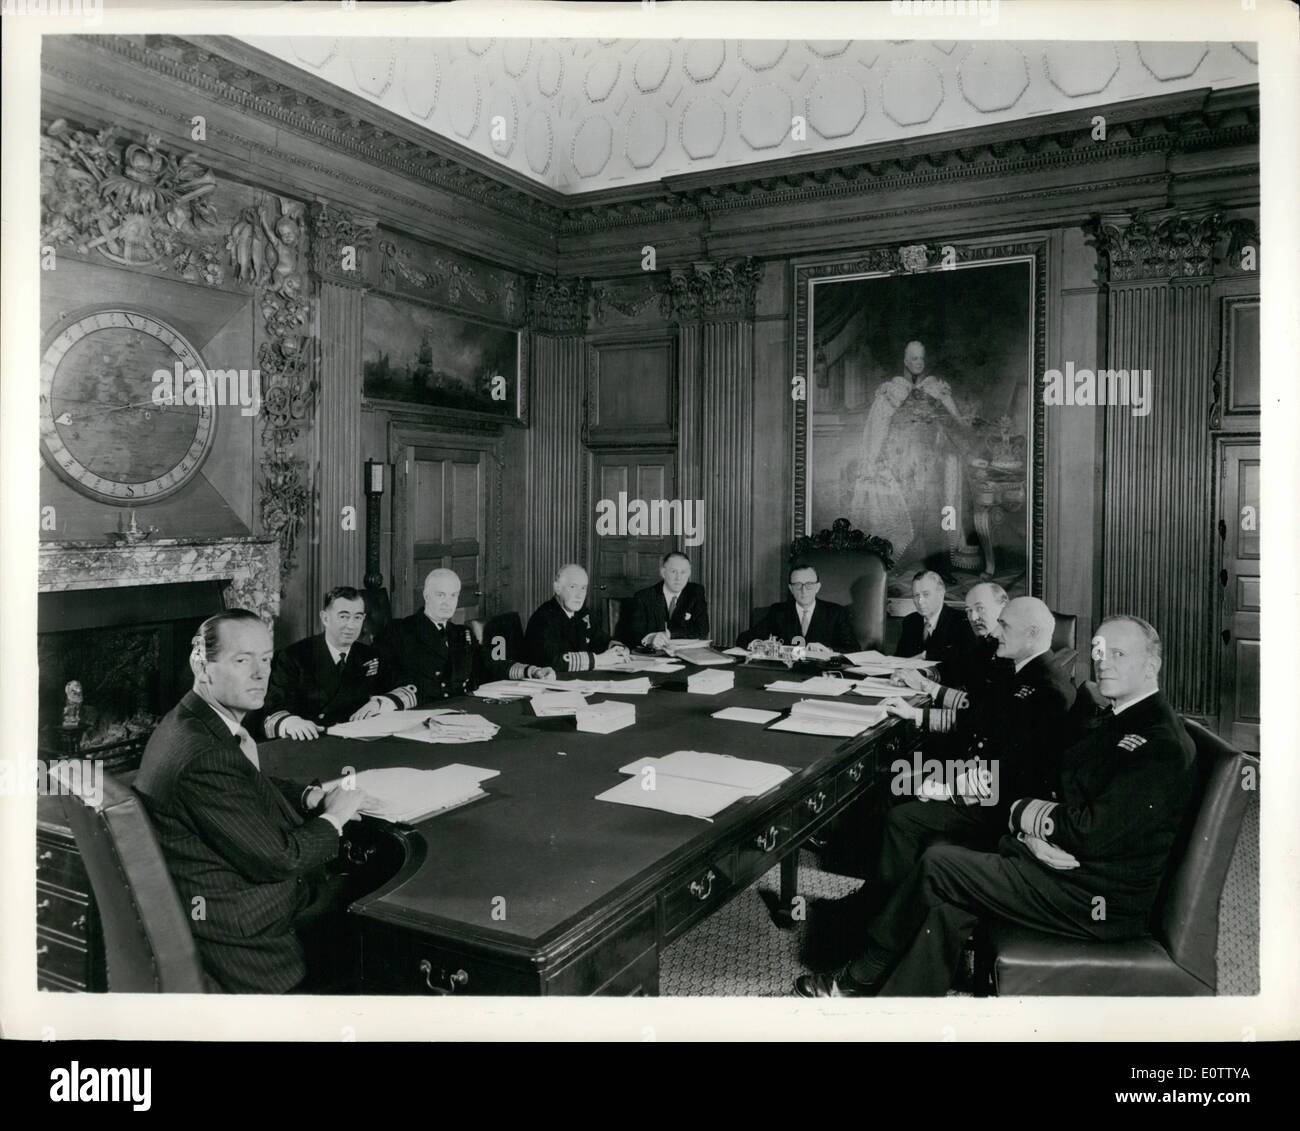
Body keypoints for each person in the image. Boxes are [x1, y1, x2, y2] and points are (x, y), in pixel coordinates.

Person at [795, 615, 1196, 997]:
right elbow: (1066, 793)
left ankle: (861, 974)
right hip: (1069, 864)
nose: (1103, 662)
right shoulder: (1122, 716)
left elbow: (1093, 831)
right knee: (947, 905)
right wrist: (1031, 831)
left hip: (1096, 897)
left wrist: (1024, 818)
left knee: (940, 865)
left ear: (1152, 665)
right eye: (1100, 650)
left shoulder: (1157, 742)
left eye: (1119, 654)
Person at [134, 610, 370, 994]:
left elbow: (245, 781)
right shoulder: (203, 756)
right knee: (378, 896)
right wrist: (336, 816)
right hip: (245, 935)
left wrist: (310, 796)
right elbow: (283, 858)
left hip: (223, 899)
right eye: (242, 660)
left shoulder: (192, 722)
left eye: (266, 659)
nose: (261, 673)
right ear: (202, 665)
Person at [874, 597, 1076, 890]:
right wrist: (917, 714)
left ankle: (888, 907)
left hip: (997, 802)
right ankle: (889, 893)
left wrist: (947, 789)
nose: (995, 633)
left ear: (1031, 634)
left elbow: (1016, 773)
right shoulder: (1020, 672)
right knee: (895, 781)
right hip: (981, 778)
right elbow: (979, 721)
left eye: (1004, 625)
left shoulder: (1047, 691)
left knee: (901, 816)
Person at [256, 586, 417, 741]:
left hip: (359, 741)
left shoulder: (370, 655)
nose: (351, 625)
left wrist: (380, 703)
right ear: (325, 618)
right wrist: (291, 723)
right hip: (312, 741)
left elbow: (407, 688)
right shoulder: (294, 656)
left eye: (357, 617)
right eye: (343, 616)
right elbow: (271, 709)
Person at [380, 568, 552, 704]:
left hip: (460, 708)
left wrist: (531, 670)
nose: (448, 602)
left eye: (453, 595)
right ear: (426, 596)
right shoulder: (401, 631)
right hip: (423, 710)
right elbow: (389, 680)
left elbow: (488, 664)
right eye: (441, 595)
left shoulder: (462, 634)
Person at [525, 564, 630, 672]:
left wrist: (617, 649)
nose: (579, 595)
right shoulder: (543, 618)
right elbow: (552, 661)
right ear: (557, 588)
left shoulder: (584, 614)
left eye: (583, 588)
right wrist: (599, 660)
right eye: (573, 587)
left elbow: (600, 641)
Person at [737, 563, 858, 657]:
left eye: (809, 584)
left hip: (823, 675)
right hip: (786, 674)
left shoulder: (836, 613)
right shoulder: (778, 612)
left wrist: (829, 651)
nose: (803, 591)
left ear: (817, 587)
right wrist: (758, 644)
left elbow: (854, 649)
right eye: (797, 585)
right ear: (791, 588)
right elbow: (743, 638)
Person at [616, 551, 709, 650]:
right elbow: (633, 633)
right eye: (673, 571)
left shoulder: (695, 592)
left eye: (683, 572)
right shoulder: (644, 597)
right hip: (654, 657)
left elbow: (702, 630)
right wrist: (651, 638)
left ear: (689, 573)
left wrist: (669, 634)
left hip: (687, 655)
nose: (678, 578)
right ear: (663, 573)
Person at [895, 570, 977, 670]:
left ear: (941, 593)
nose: (920, 601)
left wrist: (925, 656)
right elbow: (899, 658)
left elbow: (963, 660)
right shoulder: (910, 621)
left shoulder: (961, 621)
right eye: (916, 595)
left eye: (926, 594)